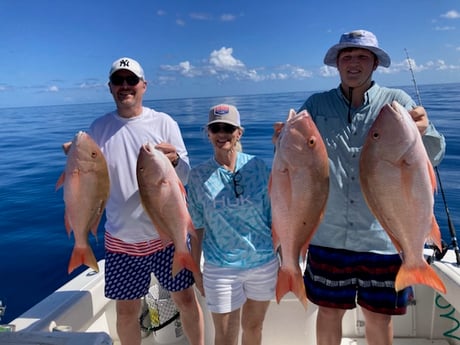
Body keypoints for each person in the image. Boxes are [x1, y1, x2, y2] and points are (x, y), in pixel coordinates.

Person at [275, 30, 446, 345]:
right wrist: (281, 140)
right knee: (327, 313)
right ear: (337, 64)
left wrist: (425, 131)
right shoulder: (315, 104)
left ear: (375, 63)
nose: (354, 63)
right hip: (327, 234)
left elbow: (434, 155)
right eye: (347, 56)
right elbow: (293, 156)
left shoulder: (398, 103)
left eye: (362, 56)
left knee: (378, 319)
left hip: (381, 237)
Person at [87, 57, 204, 345]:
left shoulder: (164, 122)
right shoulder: (98, 128)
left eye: (131, 80)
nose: (125, 86)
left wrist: (175, 159)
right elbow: (90, 180)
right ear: (110, 88)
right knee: (126, 311)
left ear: (144, 85)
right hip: (120, 239)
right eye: (118, 81)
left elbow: (186, 176)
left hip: (166, 237)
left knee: (186, 300)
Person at [187, 104, 278, 345]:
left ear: (239, 132)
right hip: (221, 268)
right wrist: (195, 269)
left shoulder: (258, 166)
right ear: (208, 133)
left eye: (228, 128)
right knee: (226, 337)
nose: (221, 134)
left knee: (253, 327)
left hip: (263, 262)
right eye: (216, 128)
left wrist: (282, 258)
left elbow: (274, 216)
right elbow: (196, 228)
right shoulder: (197, 176)